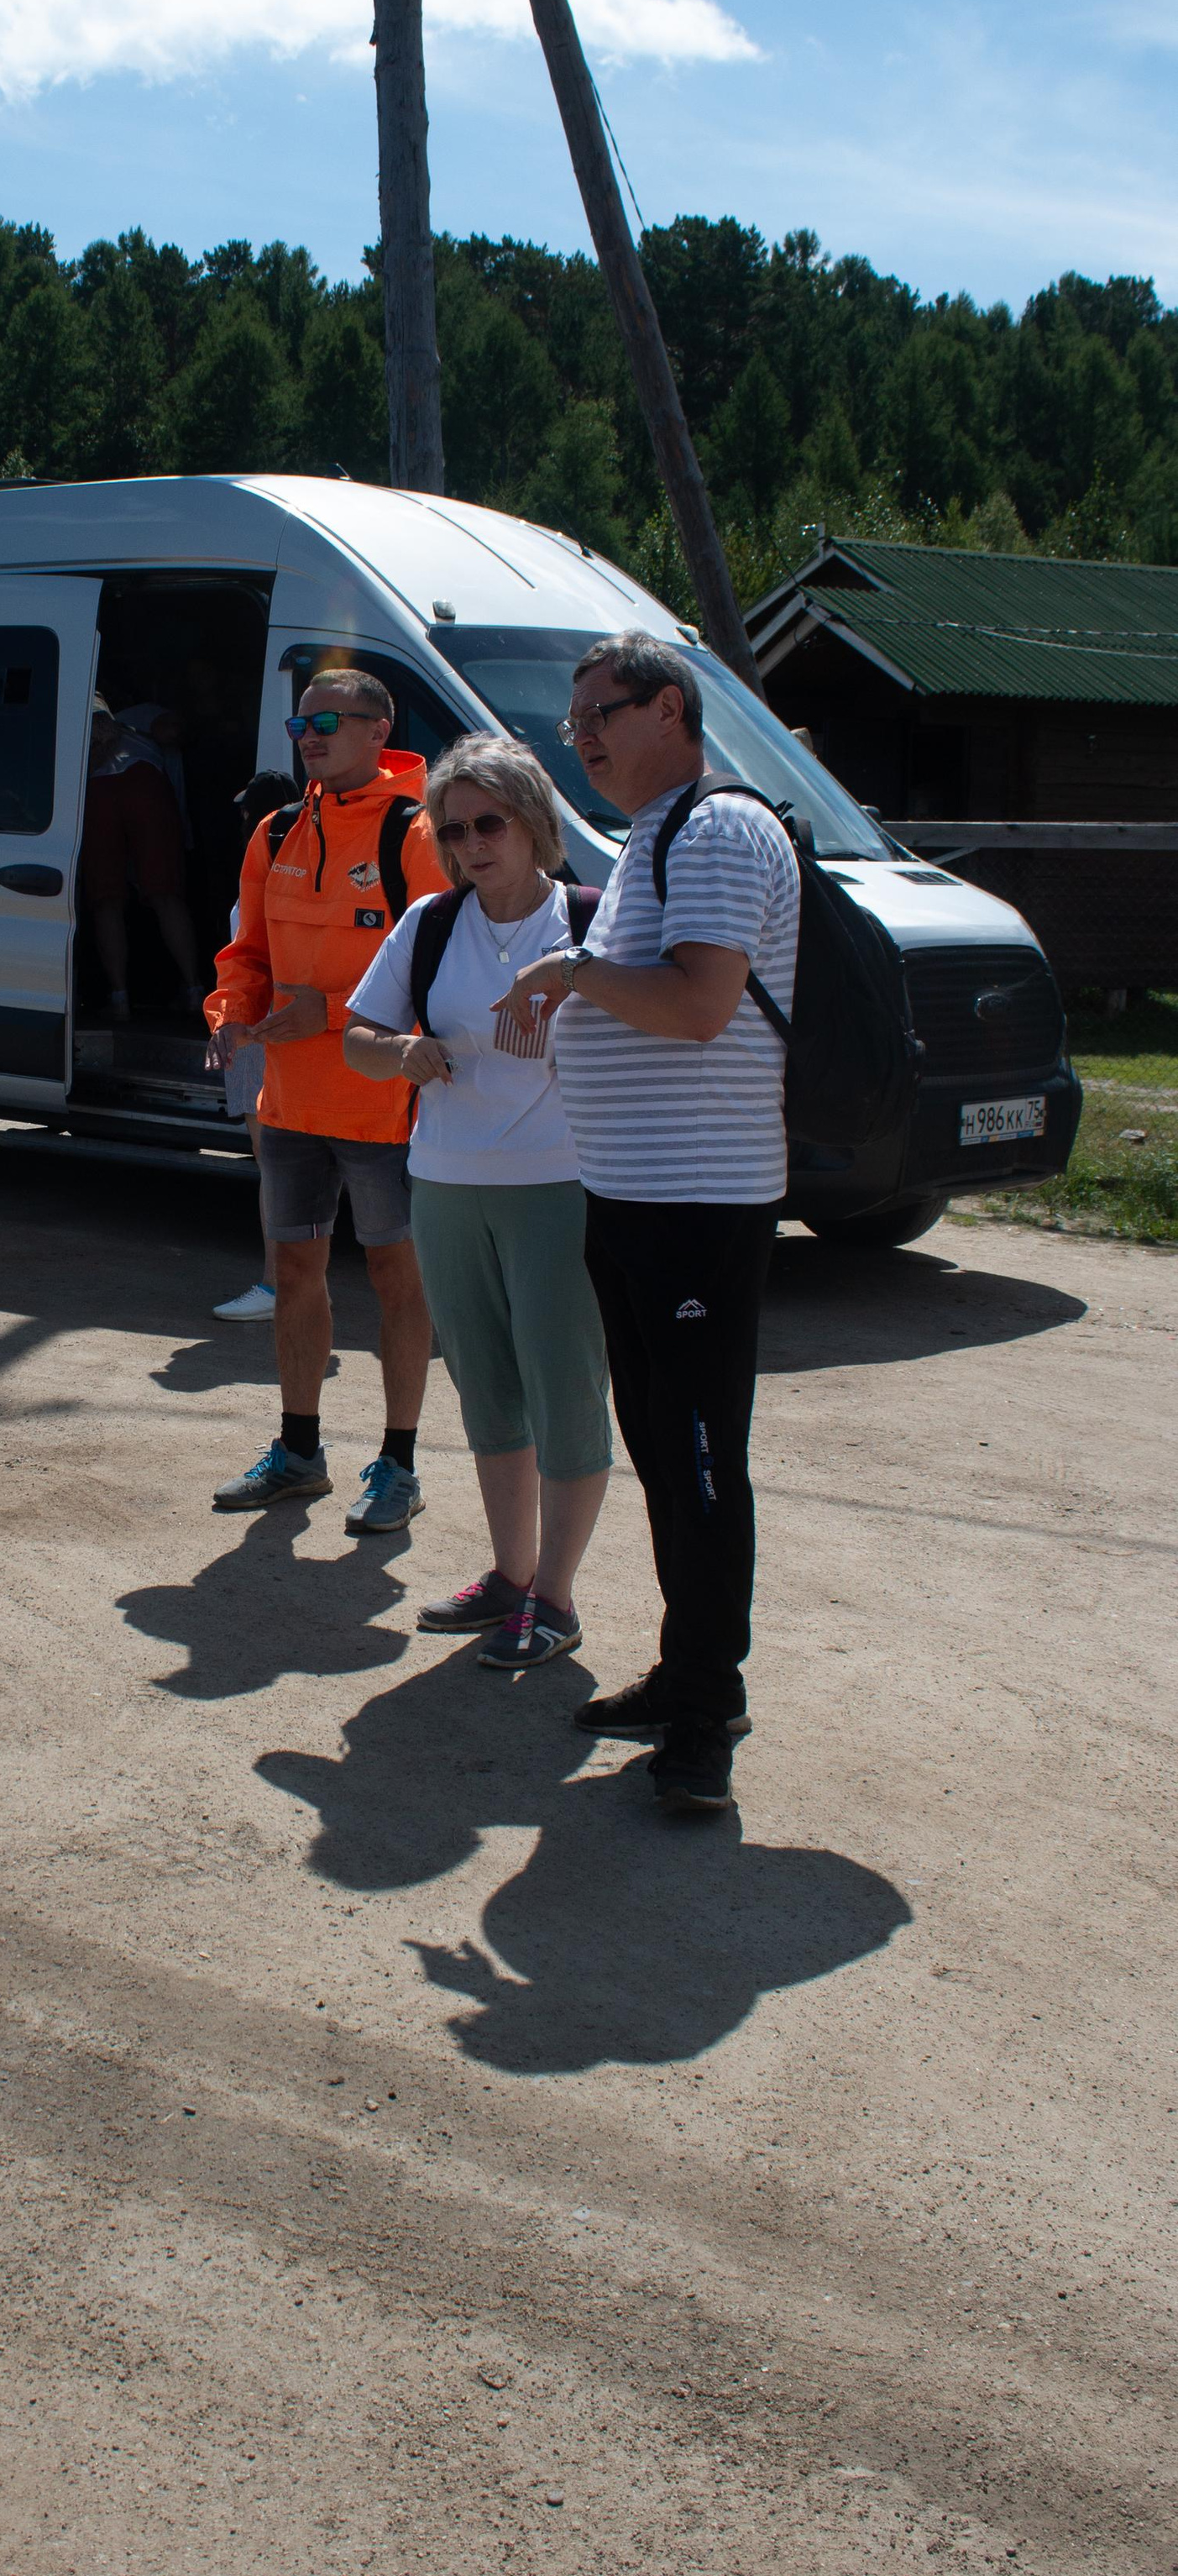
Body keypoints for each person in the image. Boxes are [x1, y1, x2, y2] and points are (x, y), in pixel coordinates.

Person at [493, 631, 799, 1816]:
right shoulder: (660, 841)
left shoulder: (717, 829)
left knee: (703, 1459)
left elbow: (699, 1003)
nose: (582, 739)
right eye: (571, 722)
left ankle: (708, 1714)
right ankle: (686, 1674)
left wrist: (570, 975)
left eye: (600, 714)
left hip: (697, 1207)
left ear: (670, 709)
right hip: (637, 1201)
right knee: (669, 1451)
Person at [343, 739, 611, 1669]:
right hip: (447, 1183)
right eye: (451, 828)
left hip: (559, 1187)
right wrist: (400, 1052)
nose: (469, 843)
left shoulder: (592, 923)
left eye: (488, 822)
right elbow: (360, 1037)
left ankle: (556, 1598)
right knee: (488, 1389)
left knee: (564, 1389)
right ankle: (510, 1577)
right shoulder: (427, 922)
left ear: (535, 822)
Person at [204, 664, 446, 1531]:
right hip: (291, 1104)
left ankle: (399, 1463)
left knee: (396, 1278)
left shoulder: (415, 832)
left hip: (385, 1106)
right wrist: (231, 1011)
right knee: (295, 1273)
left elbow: (440, 972)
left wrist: (328, 1012)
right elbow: (246, 954)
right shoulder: (274, 832)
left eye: (329, 721)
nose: (309, 736)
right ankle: (299, 1452)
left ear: (379, 731)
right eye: (300, 724)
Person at [212, 769, 296, 1325]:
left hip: (264, 1036)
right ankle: (288, 1284)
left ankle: (276, 1286)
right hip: (281, 1034)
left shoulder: (265, 882)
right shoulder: (306, 876)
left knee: (278, 1166)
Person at [82, 703, 202, 1021]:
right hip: (144, 782)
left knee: (106, 901)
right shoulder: (143, 711)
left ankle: (119, 999)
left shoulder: (81, 707)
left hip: (96, 788)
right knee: (166, 896)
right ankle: (193, 991)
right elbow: (171, 731)